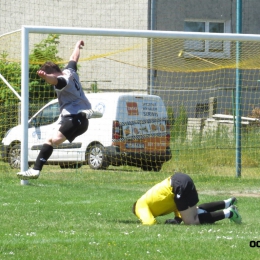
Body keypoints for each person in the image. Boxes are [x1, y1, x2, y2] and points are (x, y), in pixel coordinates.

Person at [17, 40, 94, 180]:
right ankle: (35, 170)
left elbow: (55, 80)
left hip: (74, 118)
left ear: (51, 72)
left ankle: (35, 170)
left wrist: (46, 77)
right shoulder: (69, 71)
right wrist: (77, 46)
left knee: (55, 140)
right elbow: (73, 58)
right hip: (80, 122)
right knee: (50, 139)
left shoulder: (62, 80)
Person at [132, 172, 242, 225]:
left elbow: (149, 223)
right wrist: (177, 220)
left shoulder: (139, 206)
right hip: (181, 178)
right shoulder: (153, 204)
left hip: (176, 184)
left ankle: (229, 213)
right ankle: (227, 203)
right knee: (195, 213)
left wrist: (143, 220)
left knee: (191, 222)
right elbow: (178, 207)